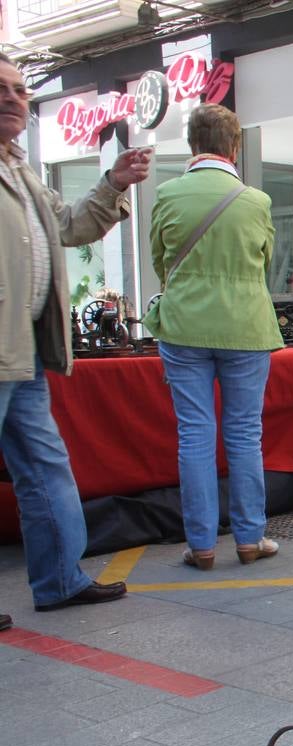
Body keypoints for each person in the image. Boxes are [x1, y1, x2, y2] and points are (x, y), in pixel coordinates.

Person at [0, 51, 149, 612]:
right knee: (43, 468)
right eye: (2, 89)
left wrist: (113, 182)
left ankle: (60, 580)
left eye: (19, 90)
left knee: (45, 470)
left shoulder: (21, 170)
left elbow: (70, 226)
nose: (14, 99)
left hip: (27, 351)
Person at [146, 103, 282, 570]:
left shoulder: (167, 193)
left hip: (184, 326)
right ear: (235, 146)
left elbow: (160, 263)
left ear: (192, 145)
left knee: (195, 435)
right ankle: (250, 538)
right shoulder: (256, 201)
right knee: (245, 433)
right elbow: (264, 264)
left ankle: (201, 544)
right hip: (246, 325)